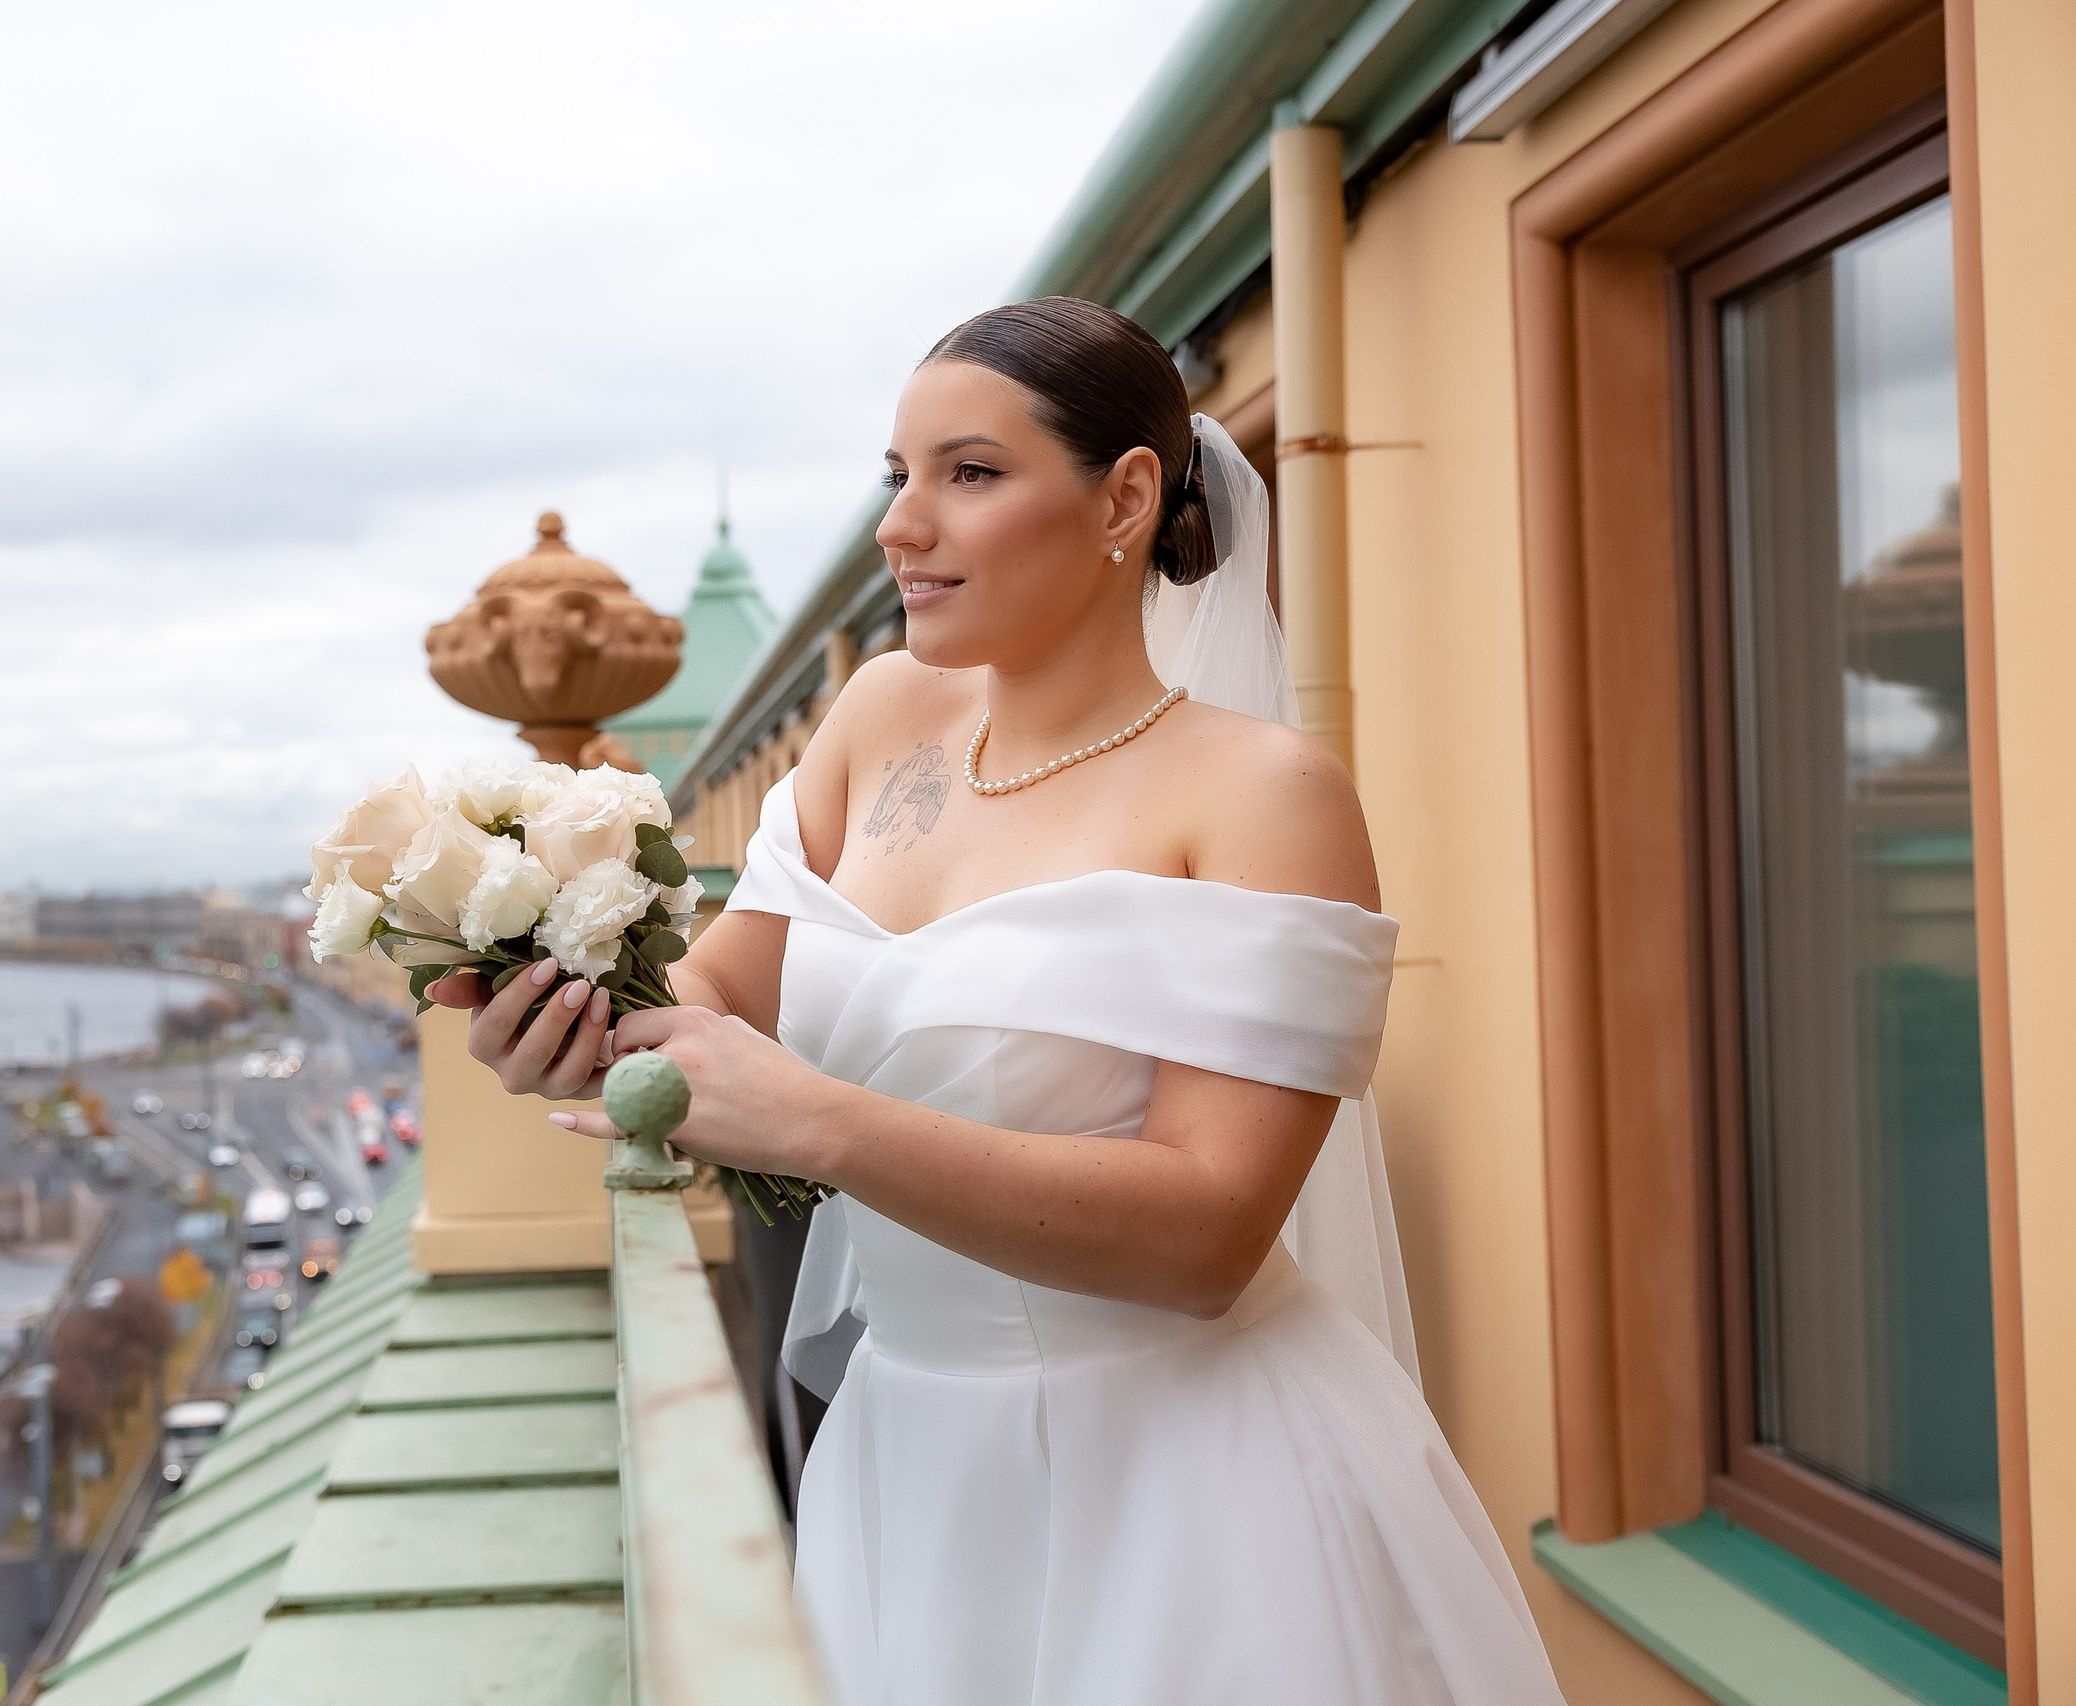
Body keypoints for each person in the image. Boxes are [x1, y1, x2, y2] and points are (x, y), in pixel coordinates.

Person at [432, 296, 1566, 1705]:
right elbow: (725, 996)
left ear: (1127, 499)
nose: (902, 527)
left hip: (1182, 1488)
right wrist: (571, 1023)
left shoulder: (1264, 796)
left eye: (968, 474)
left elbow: (1210, 1234)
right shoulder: (879, 716)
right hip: (904, 1455)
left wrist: (825, 1126)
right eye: (895, 478)